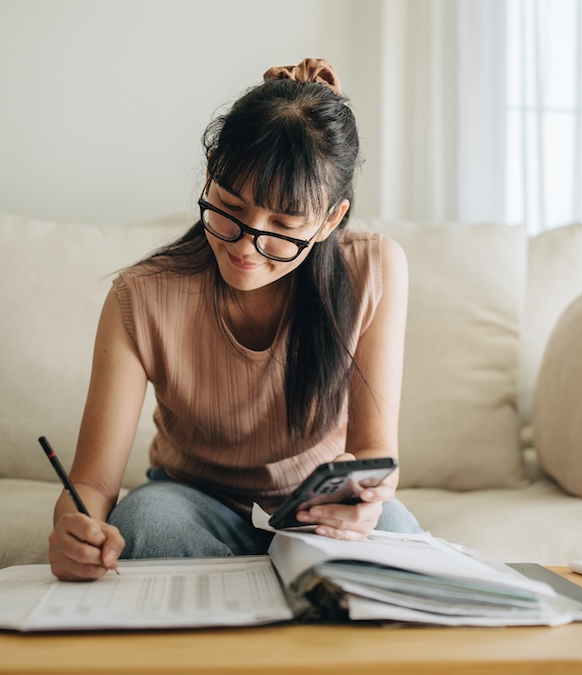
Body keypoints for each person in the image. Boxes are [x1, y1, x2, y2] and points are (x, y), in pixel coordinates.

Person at [48, 58, 422, 581]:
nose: (247, 247)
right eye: (228, 208)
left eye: (283, 225)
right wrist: (74, 524)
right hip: (191, 499)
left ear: (330, 220)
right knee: (146, 524)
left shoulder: (373, 269)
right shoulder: (142, 295)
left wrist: (366, 500)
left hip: (316, 507)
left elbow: (375, 451)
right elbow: (92, 483)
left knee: (399, 541)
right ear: (209, 173)